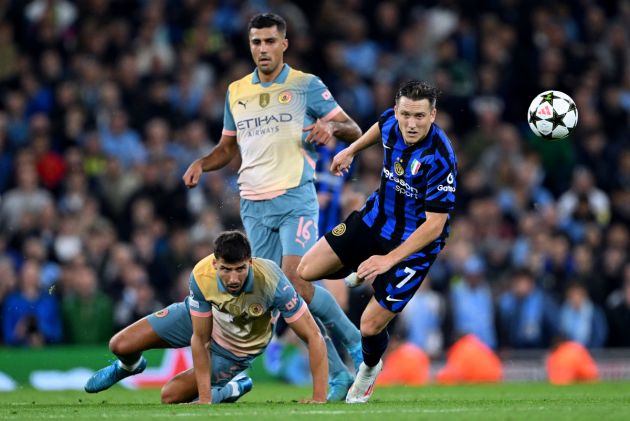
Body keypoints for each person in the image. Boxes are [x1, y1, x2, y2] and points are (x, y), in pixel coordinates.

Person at [182, 13, 363, 400]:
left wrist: (330, 128)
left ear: (284, 44)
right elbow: (227, 148)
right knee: (274, 295)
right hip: (253, 205)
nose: (262, 49)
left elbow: (354, 130)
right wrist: (202, 162)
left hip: (296, 196)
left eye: (269, 41)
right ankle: (339, 375)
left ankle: (352, 339)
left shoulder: (305, 86)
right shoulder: (236, 92)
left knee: (296, 279)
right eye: (255, 42)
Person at [298, 80, 458, 403]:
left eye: (419, 116)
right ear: (397, 110)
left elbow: (435, 226)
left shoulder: (440, 158)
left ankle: (369, 369)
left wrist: (389, 260)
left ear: (433, 115)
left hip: (414, 248)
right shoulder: (392, 122)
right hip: (374, 221)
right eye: (405, 114)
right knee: (306, 270)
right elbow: (379, 127)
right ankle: (359, 269)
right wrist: (350, 149)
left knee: (369, 326)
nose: (411, 124)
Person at [84, 231, 327, 404]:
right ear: (214, 265)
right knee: (119, 344)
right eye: (226, 269)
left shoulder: (272, 281)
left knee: (169, 396)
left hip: (237, 347)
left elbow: (313, 335)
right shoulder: (201, 274)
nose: (233, 279)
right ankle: (130, 366)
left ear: (250, 263)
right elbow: (200, 339)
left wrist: (318, 398)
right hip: (199, 319)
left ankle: (233, 386)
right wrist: (204, 397)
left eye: (240, 269)